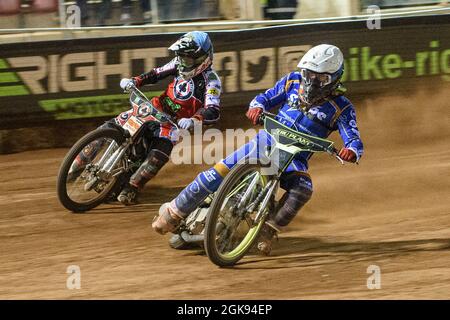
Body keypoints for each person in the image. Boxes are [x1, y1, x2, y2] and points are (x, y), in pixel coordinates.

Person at [152, 44, 364, 255]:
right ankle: (174, 212)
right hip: (264, 142)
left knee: (303, 189)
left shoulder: (342, 108)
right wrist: (256, 107)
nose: (311, 81)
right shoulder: (292, 81)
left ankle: (268, 231)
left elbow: (353, 138)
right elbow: (264, 97)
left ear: (335, 78)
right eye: (308, 74)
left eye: (320, 78)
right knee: (216, 173)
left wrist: (352, 150)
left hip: (294, 158)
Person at [72, 31, 221, 205]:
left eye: (186, 59)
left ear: (202, 59)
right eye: (180, 57)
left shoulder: (212, 80)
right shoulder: (178, 63)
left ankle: (133, 187)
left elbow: (213, 109)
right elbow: (156, 73)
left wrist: (194, 119)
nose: (182, 63)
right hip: (153, 107)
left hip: (172, 124)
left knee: (159, 154)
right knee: (110, 127)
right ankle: (76, 164)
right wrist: (134, 81)